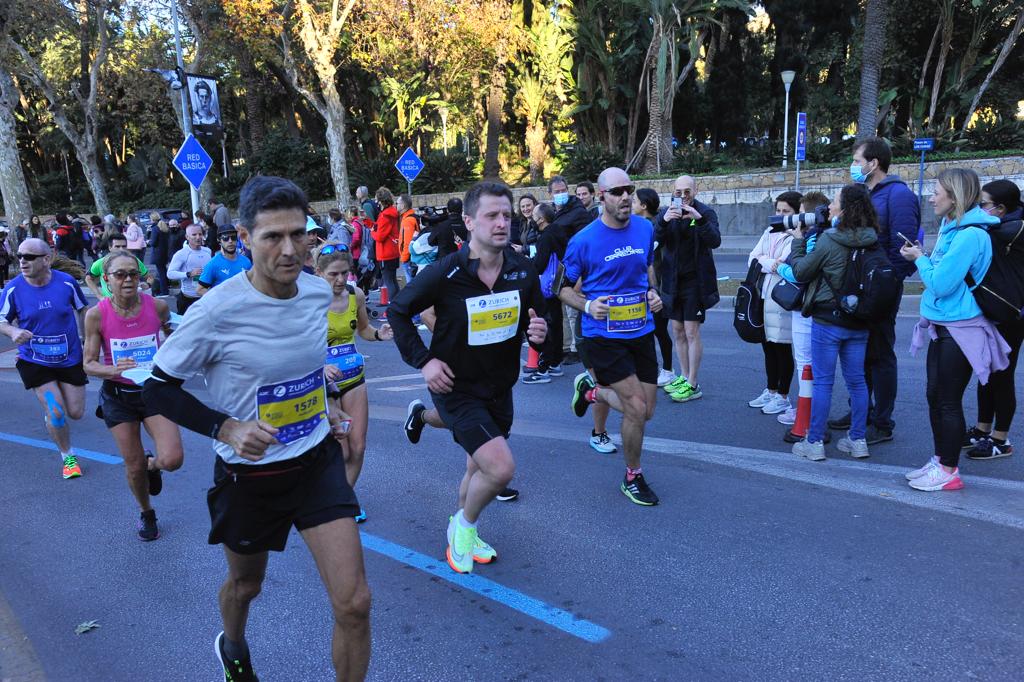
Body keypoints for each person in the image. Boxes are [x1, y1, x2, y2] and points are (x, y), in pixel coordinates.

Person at [142, 175, 370, 680]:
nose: (289, 250)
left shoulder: (316, 293)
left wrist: (324, 402)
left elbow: (301, 365)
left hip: (315, 464)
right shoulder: (216, 311)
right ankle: (233, 642)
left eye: (298, 234)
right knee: (246, 587)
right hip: (251, 478)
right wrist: (225, 428)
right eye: (272, 237)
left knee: (354, 603)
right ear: (244, 238)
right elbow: (157, 389)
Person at [391, 180, 547, 574]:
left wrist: (538, 334)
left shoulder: (522, 270)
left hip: (499, 387)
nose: (501, 223)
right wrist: (425, 361)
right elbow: (397, 311)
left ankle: (465, 529)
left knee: (476, 468)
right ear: (469, 221)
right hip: (454, 387)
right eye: (491, 216)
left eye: (506, 216)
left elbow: (535, 318)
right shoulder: (446, 273)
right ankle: (462, 526)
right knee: (500, 468)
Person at [560, 167, 664, 505]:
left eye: (628, 190)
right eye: (616, 192)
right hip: (603, 335)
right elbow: (560, 288)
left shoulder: (645, 229)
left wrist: (653, 293)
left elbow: (647, 270)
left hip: (642, 330)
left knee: (647, 411)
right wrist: (588, 305)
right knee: (635, 408)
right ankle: (633, 476)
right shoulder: (583, 241)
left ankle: (593, 392)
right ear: (601, 196)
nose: (624, 197)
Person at [902, 169, 1008, 492]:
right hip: (944, 325)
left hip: (961, 329)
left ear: (955, 196)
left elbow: (941, 283)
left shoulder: (969, 235)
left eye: (936, 192)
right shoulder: (952, 226)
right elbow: (940, 275)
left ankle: (948, 470)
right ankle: (940, 459)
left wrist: (920, 258)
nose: (931, 198)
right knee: (935, 395)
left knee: (947, 400)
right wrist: (926, 259)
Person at [82, 250, 183, 541]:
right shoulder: (97, 314)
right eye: (120, 274)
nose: (128, 280)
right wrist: (113, 368)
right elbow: (88, 363)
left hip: (153, 393)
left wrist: (169, 351)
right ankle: (146, 512)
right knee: (134, 465)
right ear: (106, 280)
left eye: (133, 274)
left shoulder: (158, 307)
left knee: (173, 458)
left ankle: (155, 465)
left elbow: (174, 334)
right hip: (118, 396)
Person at [830, 137, 920, 444]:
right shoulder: (864, 192)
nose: (853, 166)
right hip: (858, 286)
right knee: (859, 352)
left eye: (857, 161)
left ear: (874, 163)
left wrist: (889, 280)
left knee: (880, 354)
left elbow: (904, 244)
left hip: (880, 286)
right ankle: (860, 411)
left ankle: (882, 422)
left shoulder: (898, 195)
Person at [788, 184, 882, 461]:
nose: (829, 207)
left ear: (845, 208)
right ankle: (858, 439)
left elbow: (802, 270)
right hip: (859, 320)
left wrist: (798, 241)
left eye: (835, 202)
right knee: (857, 383)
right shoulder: (872, 237)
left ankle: (814, 442)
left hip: (828, 319)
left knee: (823, 383)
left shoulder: (830, 239)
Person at [0, 238, 89, 479]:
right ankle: (68, 457)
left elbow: (83, 309)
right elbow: (1, 321)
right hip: (34, 360)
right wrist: (14, 331)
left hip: (69, 357)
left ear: (46, 259)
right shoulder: (14, 289)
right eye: (19, 256)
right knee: (57, 411)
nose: (22, 261)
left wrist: (85, 337)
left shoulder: (66, 283)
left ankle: (52, 416)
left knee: (76, 412)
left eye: (29, 257)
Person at [318, 247, 394, 523]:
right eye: (332, 275)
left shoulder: (355, 294)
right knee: (343, 449)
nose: (340, 280)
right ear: (319, 273)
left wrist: (378, 334)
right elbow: (295, 344)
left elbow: (363, 329)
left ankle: (343, 499)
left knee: (358, 447)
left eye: (344, 273)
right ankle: (334, 498)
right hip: (322, 382)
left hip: (354, 375)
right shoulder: (310, 300)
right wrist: (320, 365)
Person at [964, 179, 1024, 460]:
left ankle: (1001, 439)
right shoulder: (998, 226)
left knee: (1003, 374)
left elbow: (993, 231)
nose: (979, 209)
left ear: (1000, 209)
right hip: (994, 310)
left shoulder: (1015, 228)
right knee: (986, 371)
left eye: (983, 205)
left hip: (1012, 313)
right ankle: (981, 429)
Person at [656, 175, 722, 402]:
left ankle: (693, 383)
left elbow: (715, 241)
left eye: (687, 191)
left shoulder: (706, 212)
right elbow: (654, 241)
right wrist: (664, 221)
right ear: (672, 192)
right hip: (673, 281)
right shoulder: (667, 213)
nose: (683, 196)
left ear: (695, 190)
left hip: (695, 282)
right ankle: (684, 376)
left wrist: (699, 219)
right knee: (677, 331)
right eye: (678, 192)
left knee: (692, 331)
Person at [775, 191, 830, 429]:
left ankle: (806, 414)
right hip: (823, 309)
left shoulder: (814, 238)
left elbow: (799, 272)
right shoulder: (830, 235)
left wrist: (780, 268)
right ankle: (813, 411)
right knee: (819, 367)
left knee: (805, 363)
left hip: (806, 309)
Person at [747, 191, 800, 416]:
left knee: (782, 348)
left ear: (797, 213)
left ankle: (783, 396)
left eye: (786, 211)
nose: (780, 215)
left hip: (782, 299)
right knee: (768, 346)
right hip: (763, 296)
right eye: (778, 210)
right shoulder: (770, 231)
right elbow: (752, 259)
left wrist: (765, 261)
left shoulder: (796, 236)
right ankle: (770, 390)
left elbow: (786, 264)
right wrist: (770, 262)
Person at [546, 175, 592, 366]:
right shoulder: (557, 212)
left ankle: (578, 349)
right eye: (556, 192)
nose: (560, 194)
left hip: (577, 268)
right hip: (561, 267)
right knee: (564, 311)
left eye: (563, 190)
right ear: (550, 194)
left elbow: (587, 243)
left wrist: (582, 275)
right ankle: (567, 347)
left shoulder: (578, 212)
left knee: (575, 311)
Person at [633, 188, 676, 387]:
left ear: (644, 205)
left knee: (659, 330)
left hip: (656, 286)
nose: (630, 203)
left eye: (634, 201)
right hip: (641, 286)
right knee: (646, 331)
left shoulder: (653, 226)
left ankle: (668, 370)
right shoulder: (636, 225)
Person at [522, 202, 566, 385]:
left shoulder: (546, 237)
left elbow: (539, 264)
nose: (532, 218)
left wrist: (528, 262)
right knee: (556, 323)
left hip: (546, 287)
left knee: (546, 324)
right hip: (558, 284)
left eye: (534, 215)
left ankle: (543, 368)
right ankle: (555, 362)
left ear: (541, 219)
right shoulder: (559, 231)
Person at [86, 234, 154, 299]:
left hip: (132, 304)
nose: (121, 249)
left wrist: (148, 284)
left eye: (124, 246)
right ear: (110, 248)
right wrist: (100, 296)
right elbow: (88, 278)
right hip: (110, 305)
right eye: (117, 247)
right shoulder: (100, 263)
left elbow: (150, 277)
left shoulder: (134, 261)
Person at [167, 223, 212, 314]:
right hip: (188, 299)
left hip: (205, 297)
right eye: (194, 235)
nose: (198, 237)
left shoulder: (207, 251)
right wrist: (188, 274)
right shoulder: (182, 253)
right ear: (187, 237)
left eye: (200, 234)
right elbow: (170, 274)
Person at [197, 225, 252, 295]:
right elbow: (200, 289)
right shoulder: (213, 264)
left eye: (233, 237)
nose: (230, 241)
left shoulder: (246, 261)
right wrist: (221, 299)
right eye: (225, 238)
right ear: (219, 240)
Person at [372, 188, 401, 297]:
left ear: (381, 200)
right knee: (393, 280)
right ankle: (398, 305)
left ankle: (393, 306)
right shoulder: (392, 212)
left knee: (389, 281)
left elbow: (379, 236)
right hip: (393, 251)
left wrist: (372, 233)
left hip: (385, 252)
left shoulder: (385, 215)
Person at [397, 194, 419, 287]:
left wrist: (404, 258)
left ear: (403, 205)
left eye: (397, 203)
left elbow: (408, 242)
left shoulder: (408, 220)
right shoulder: (410, 217)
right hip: (412, 257)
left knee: (411, 285)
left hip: (408, 259)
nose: (396, 205)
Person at [149, 215, 174, 295]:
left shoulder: (155, 229)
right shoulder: (165, 228)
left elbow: (153, 242)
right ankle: (166, 287)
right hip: (164, 252)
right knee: (163, 271)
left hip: (157, 253)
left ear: (153, 220)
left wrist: (148, 242)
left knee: (161, 273)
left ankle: (164, 291)